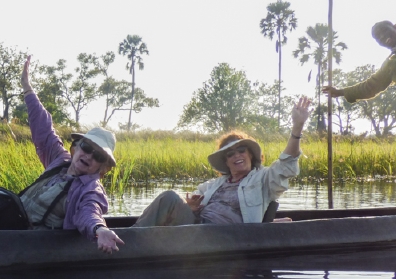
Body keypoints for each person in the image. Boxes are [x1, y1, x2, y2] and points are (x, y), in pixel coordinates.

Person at [133, 97, 312, 227]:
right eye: (230, 154)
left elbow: (286, 164)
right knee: (169, 198)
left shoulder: (264, 179)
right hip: (196, 229)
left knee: (169, 197)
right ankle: (132, 237)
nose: (236, 156)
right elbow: (190, 206)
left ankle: (131, 241)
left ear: (250, 155)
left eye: (241, 151)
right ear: (226, 162)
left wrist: (297, 127)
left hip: (223, 236)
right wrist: (191, 207)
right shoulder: (213, 185)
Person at [19, 56, 124, 253]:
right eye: (86, 147)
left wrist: (99, 229)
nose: (89, 156)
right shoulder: (60, 160)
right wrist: (27, 88)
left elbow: (89, 212)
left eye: (98, 156)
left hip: (30, 245)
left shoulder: (91, 189)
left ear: (102, 168)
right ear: (76, 147)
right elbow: (43, 128)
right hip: (10, 227)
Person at [323, 20, 396, 103]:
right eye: (378, 37)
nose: (382, 36)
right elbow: (370, 86)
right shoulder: (390, 64)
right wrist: (340, 92)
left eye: (384, 30)